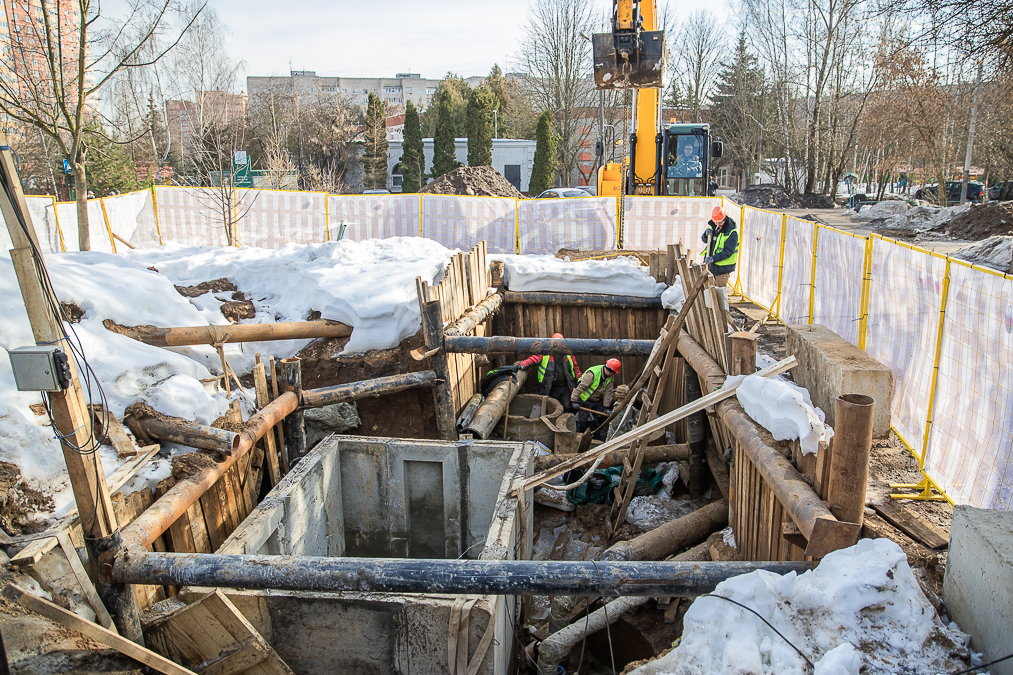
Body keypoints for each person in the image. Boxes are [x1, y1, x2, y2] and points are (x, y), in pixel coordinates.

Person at [511, 333, 582, 411]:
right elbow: (533, 359)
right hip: (551, 386)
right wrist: (521, 365)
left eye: (560, 343)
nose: (558, 346)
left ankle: (565, 420)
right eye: (556, 343)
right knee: (552, 406)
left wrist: (580, 379)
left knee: (567, 405)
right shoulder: (545, 354)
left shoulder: (569, 355)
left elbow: (575, 368)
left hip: (566, 386)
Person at [570, 358, 621, 439]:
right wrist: (574, 401)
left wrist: (606, 407)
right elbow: (579, 387)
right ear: (610, 370)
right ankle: (580, 437)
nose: (613, 374)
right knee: (583, 421)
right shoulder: (592, 374)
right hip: (585, 400)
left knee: (600, 420)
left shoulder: (610, 377)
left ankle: (597, 438)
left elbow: (608, 392)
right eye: (613, 372)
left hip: (597, 400)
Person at [700, 205, 739, 287]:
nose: (717, 224)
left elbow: (728, 252)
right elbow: (705, 240)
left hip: (722, 269)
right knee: (708, 291)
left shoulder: (732, 233)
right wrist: (706, 235)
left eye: (720, 222)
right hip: (711, 266)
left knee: (719, 292)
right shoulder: (713, 226)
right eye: (715, 222)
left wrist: (714, 258)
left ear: (724, 219)